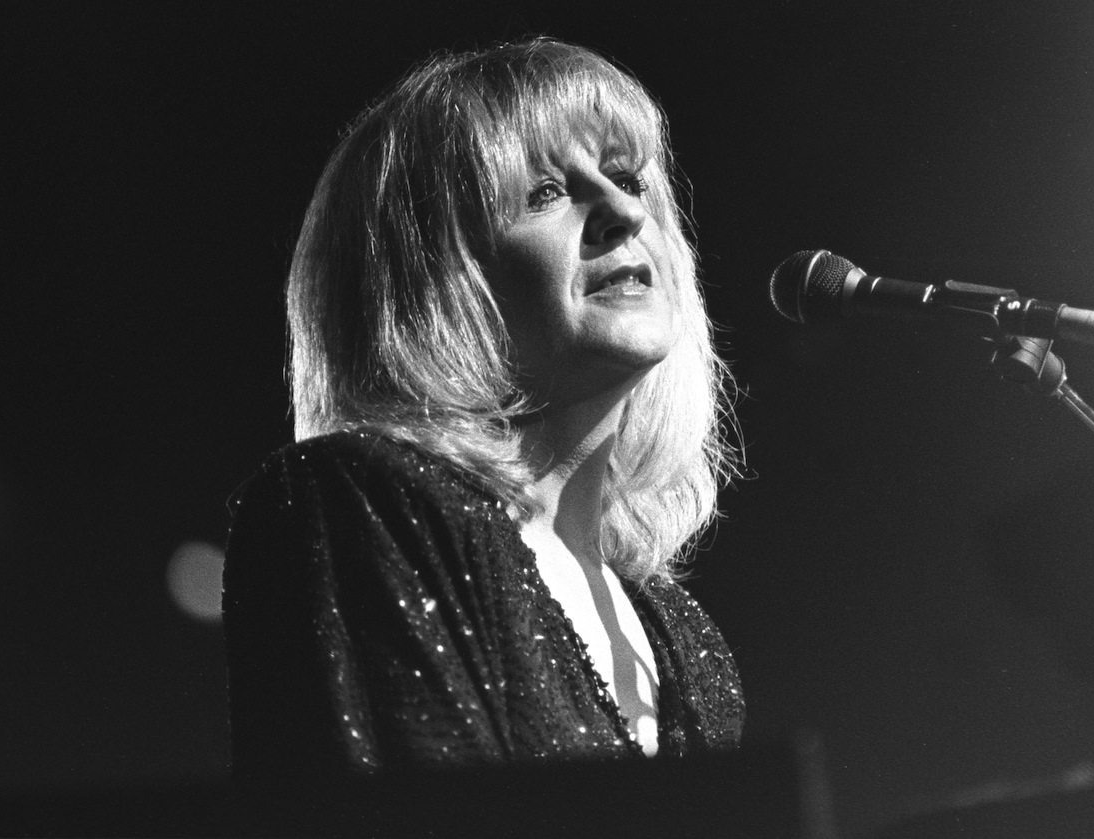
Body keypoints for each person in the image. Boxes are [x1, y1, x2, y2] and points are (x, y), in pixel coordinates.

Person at [223, 38, 745, 787]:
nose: (625, 211)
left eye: (628, 177)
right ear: (434, 283)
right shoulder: (358, 502)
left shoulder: (686, 640)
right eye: (545, 194)